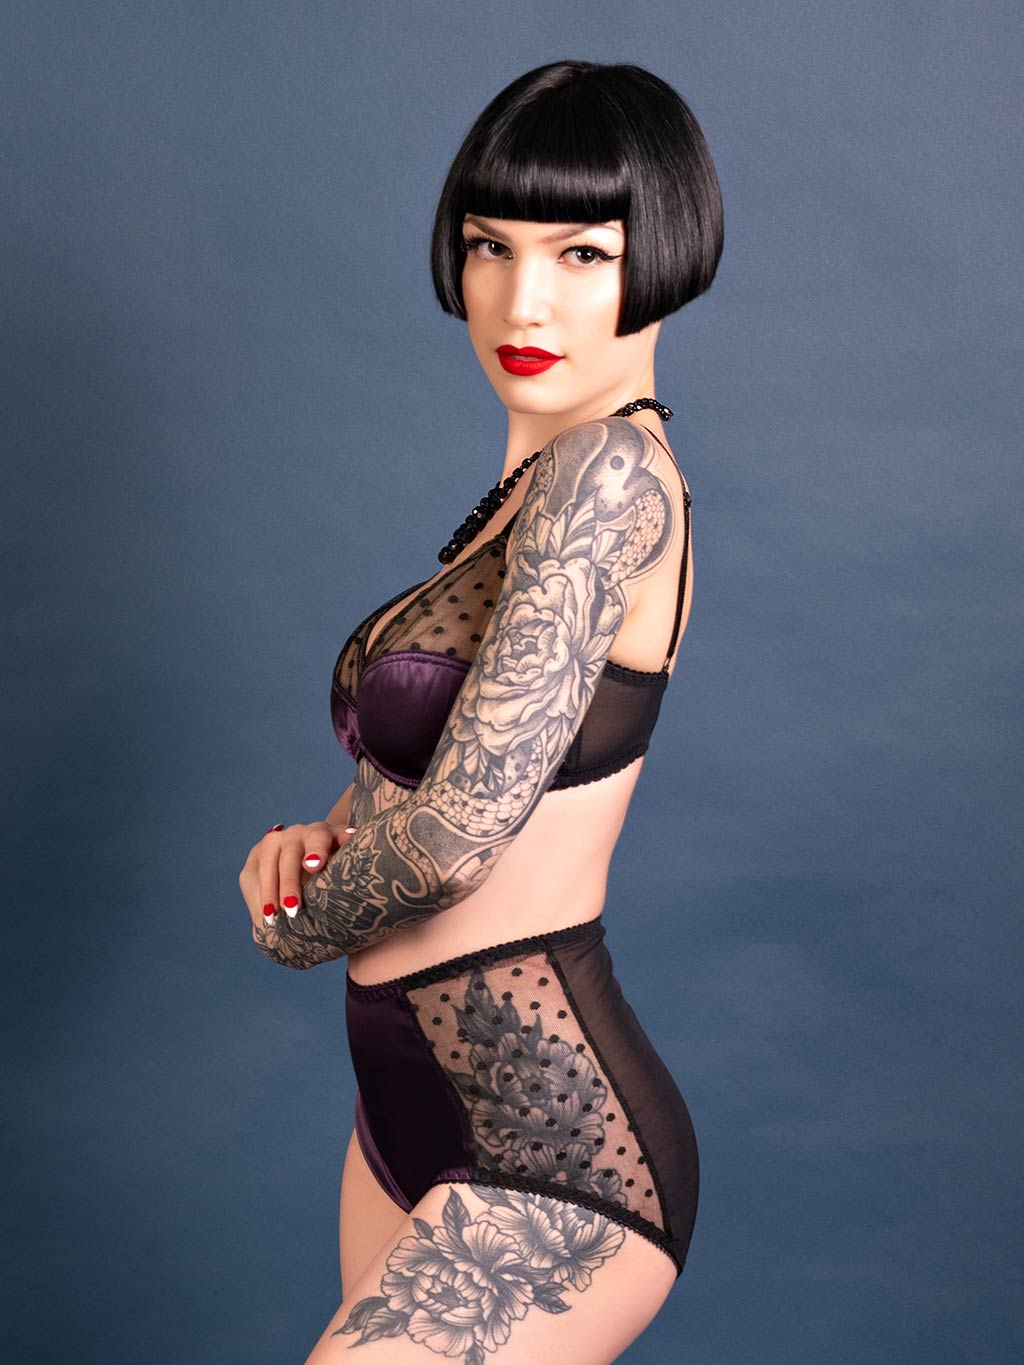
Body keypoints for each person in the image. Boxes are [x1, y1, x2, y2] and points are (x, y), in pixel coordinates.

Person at [238, 59, 723, 1364]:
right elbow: (436, 771)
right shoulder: (535, 486)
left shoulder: (609, 475)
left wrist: (294, 925)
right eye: (491, 246)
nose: (522, 300)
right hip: (406, 1104)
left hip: (551, 1149)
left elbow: (456, 840)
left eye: (581, 253)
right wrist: (325, 837)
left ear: (665, 254)